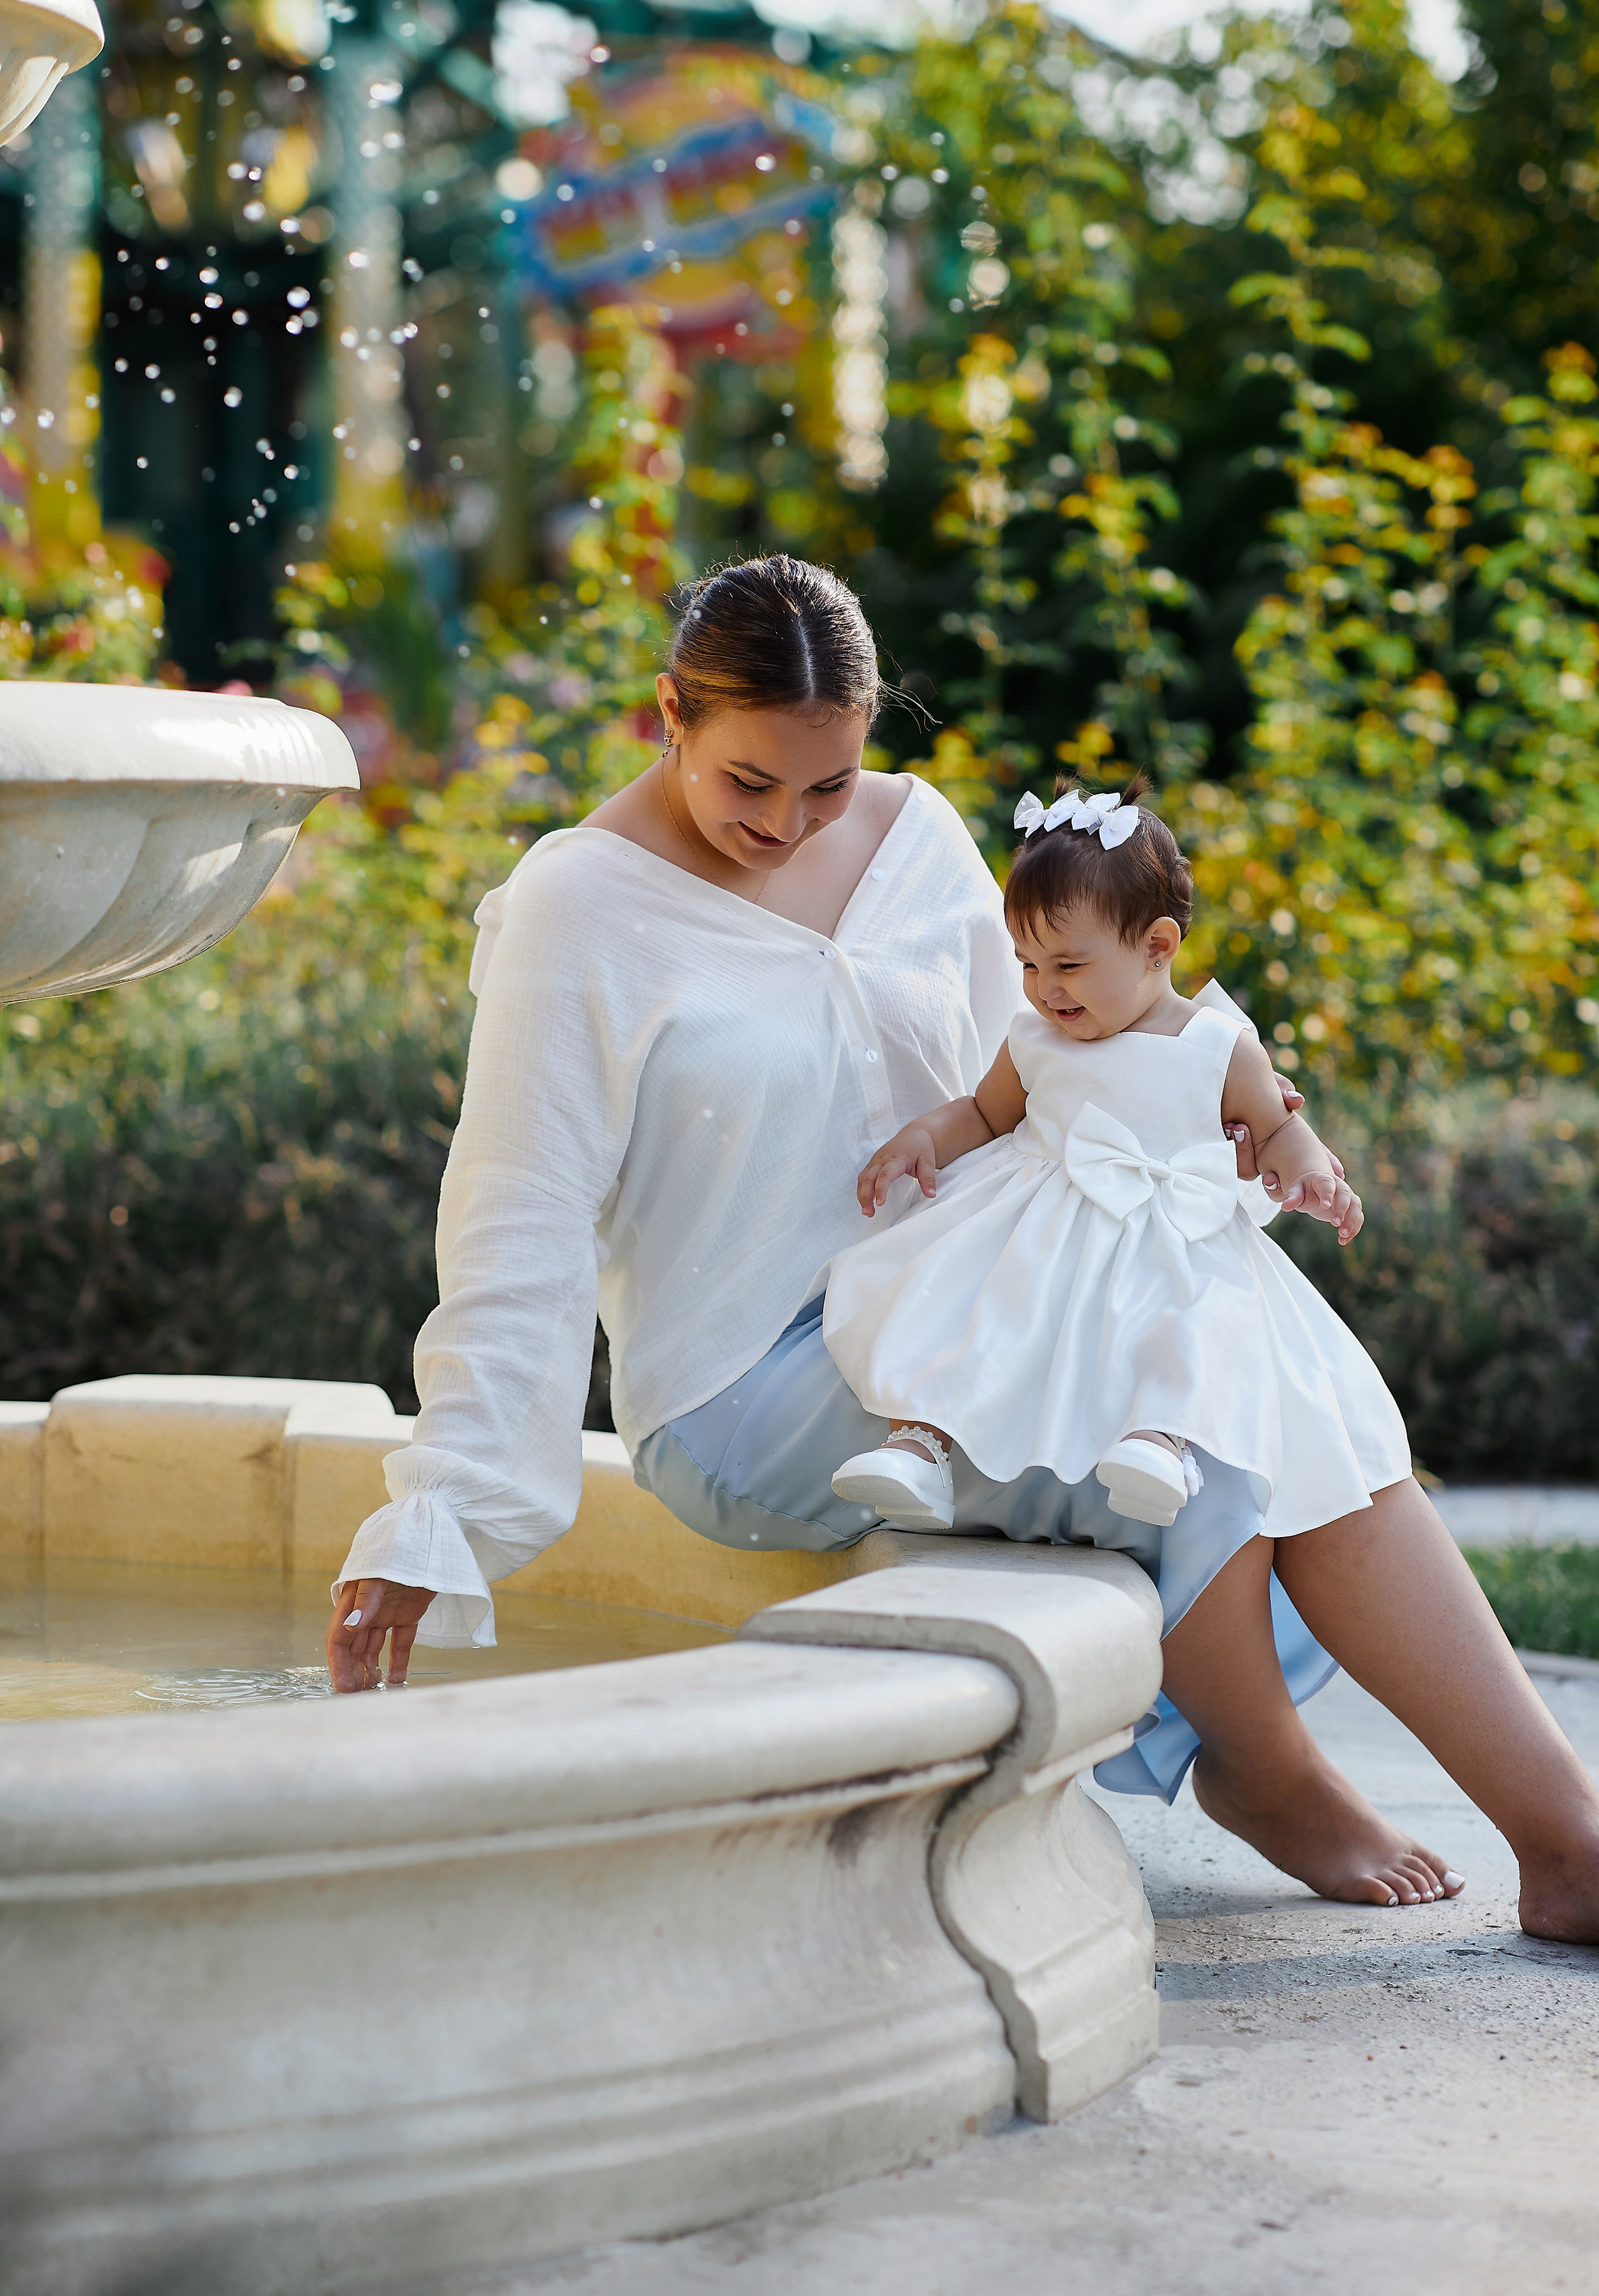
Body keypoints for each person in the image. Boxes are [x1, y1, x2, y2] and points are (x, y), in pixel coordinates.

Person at [327, 552, 1599, 1942]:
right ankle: (1268, 1772)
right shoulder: (580, 905)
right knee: (1204, 1432)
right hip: (749, 1382)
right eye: (747, 781)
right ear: (666, 716)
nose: (792, 824)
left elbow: (1053, 1069)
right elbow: (516, 1215)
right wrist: (444, 1506)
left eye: (826, 785)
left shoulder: (915, 836)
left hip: (974, 1295)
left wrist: (1224, 1125)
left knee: (1272, 1367)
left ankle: (1566, 1840)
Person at [825, 769, 1385, 1538]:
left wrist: (1313, 1171)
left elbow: (1277, 1129)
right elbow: (987, 1115)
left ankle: (1160, 1442)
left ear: (1156, 947)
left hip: (1169, 1231)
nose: (1044, 989)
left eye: (1069, 965)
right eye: (1027, 964)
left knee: (1187, 1322)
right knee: (975, 1310)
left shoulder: (1217, 1043)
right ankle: (922, 1445)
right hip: (1037, 1221)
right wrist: (923, 1138)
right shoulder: (1034, 1039)